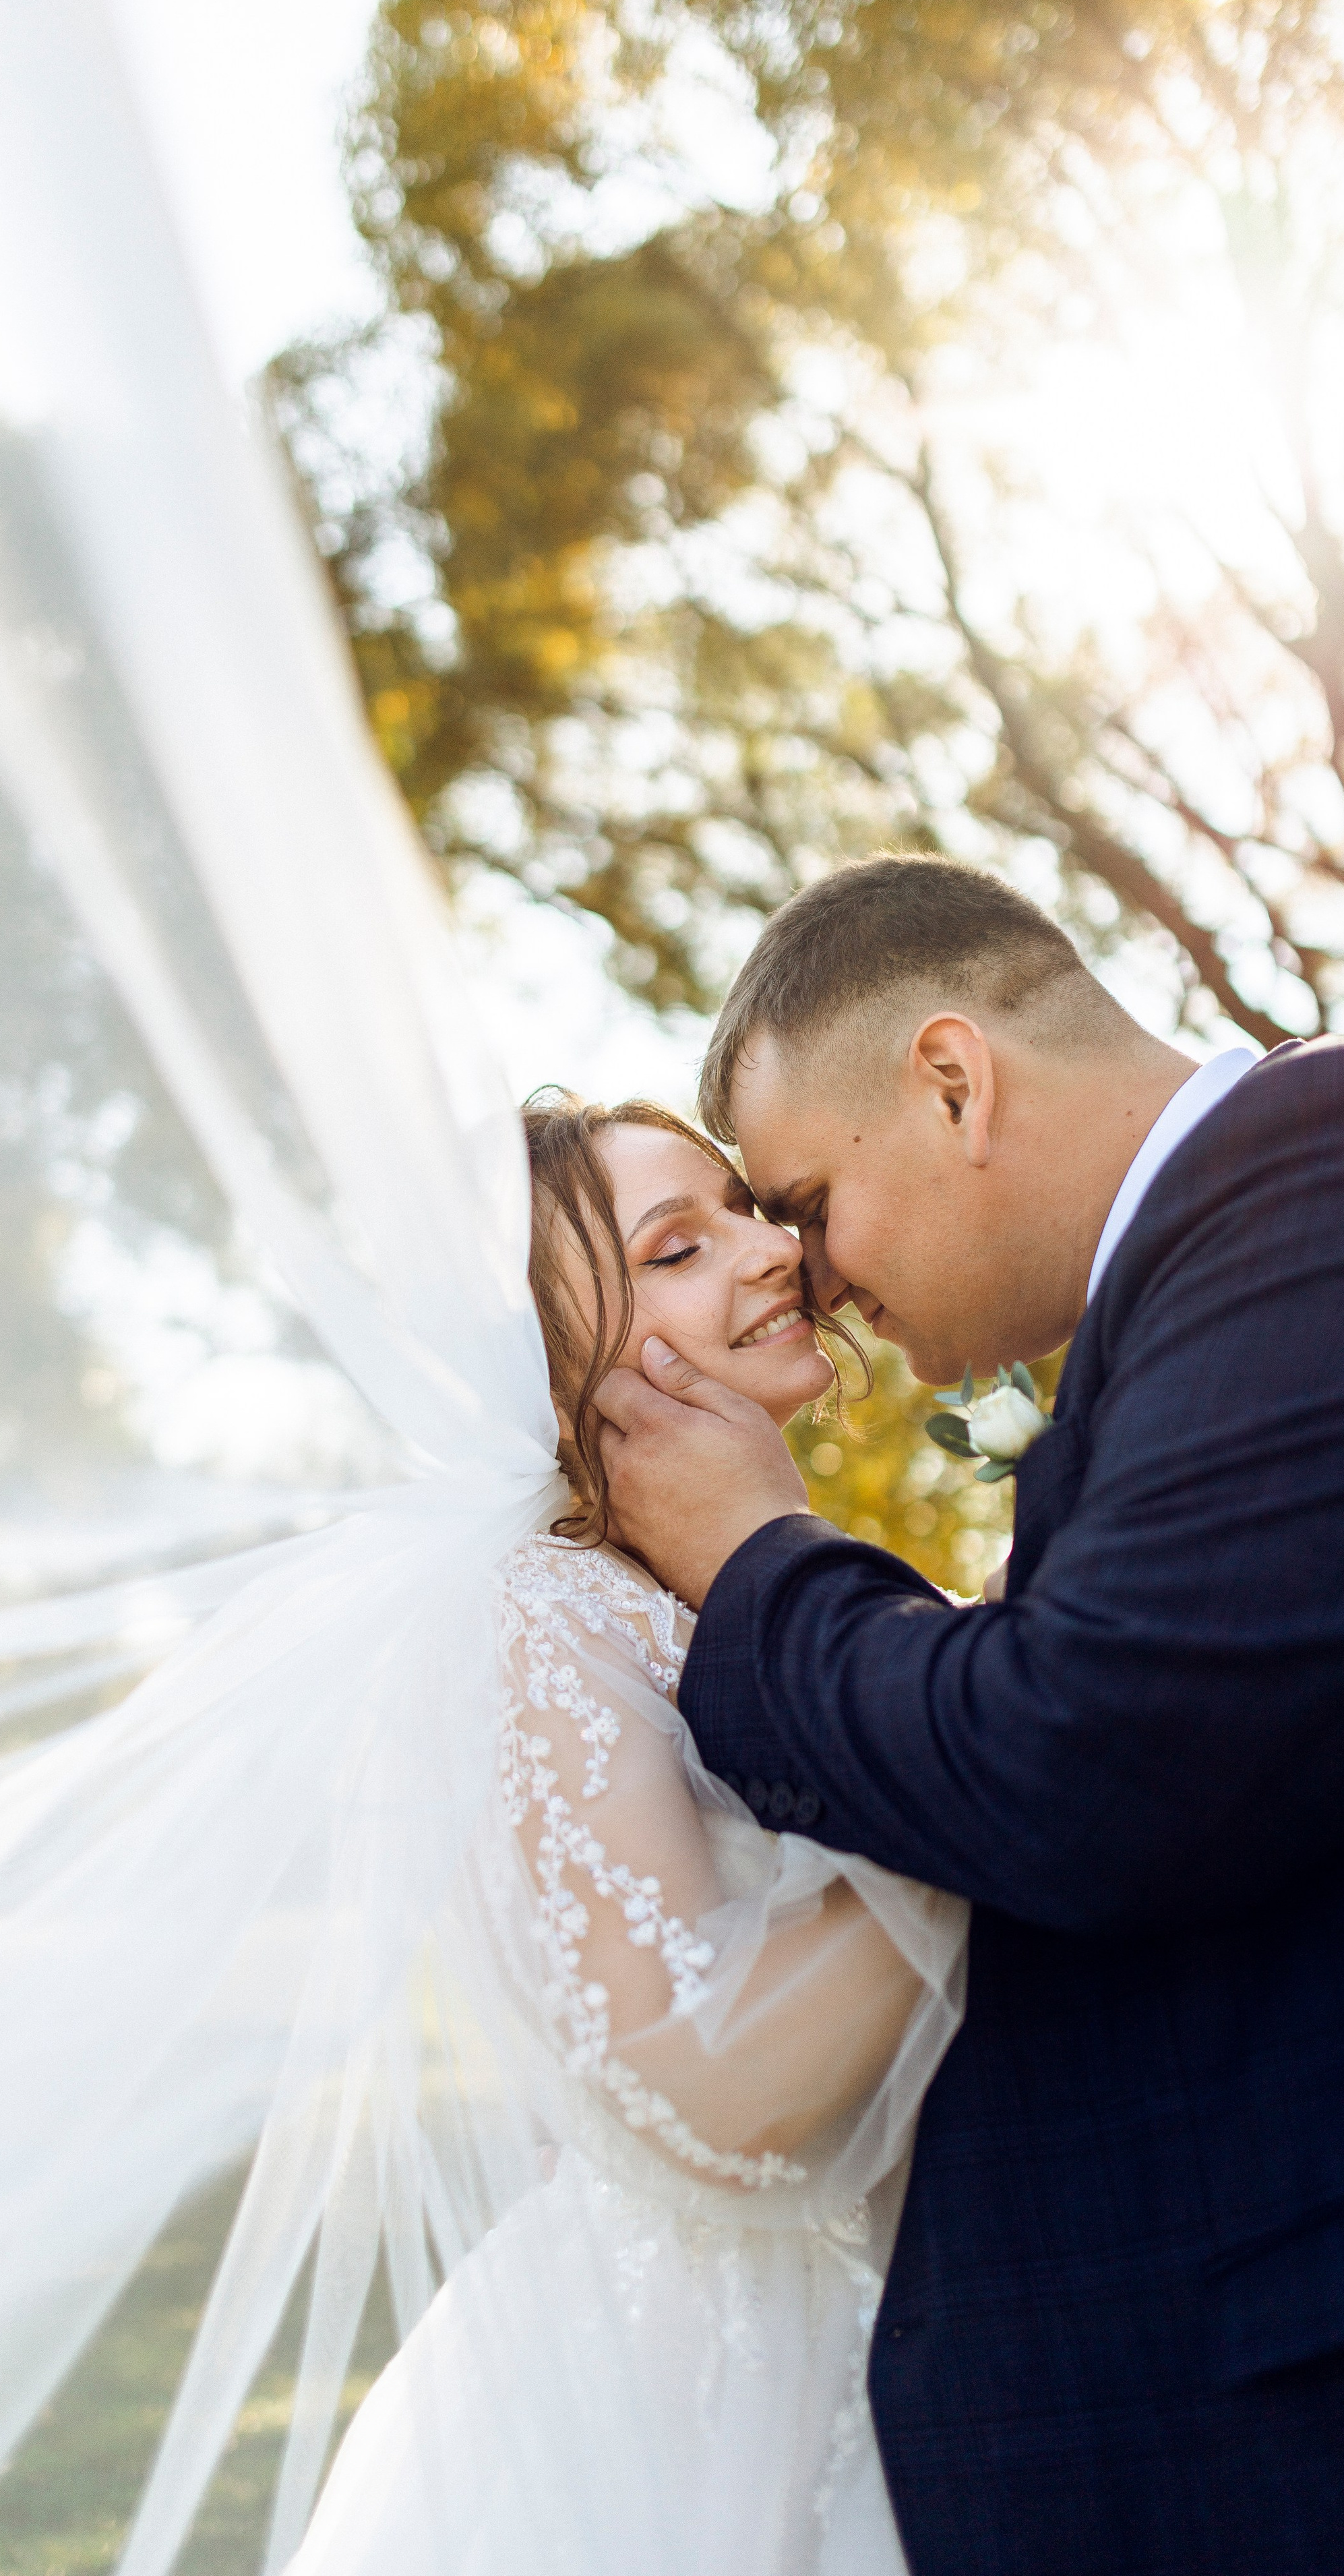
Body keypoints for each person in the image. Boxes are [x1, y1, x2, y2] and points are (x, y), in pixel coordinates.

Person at [590, 854, 1344, 2576]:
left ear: (951, 1081)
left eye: (797, 1201)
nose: (805, 1274)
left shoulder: (1316, 1177)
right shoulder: (1207, 1272)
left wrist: (753, 1555)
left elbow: (1089, 1756)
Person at [288, 1094, 965, 2576]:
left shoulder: (737, 1593)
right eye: (676, 1245)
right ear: (538, 1362)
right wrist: (988, 1767)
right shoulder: (545, 1616)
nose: (764, 1250)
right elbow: (693, 2093)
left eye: (739, 1208)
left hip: (892, 2330)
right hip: (695, 2409)